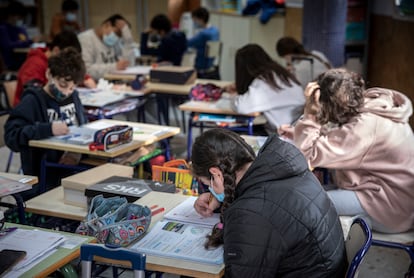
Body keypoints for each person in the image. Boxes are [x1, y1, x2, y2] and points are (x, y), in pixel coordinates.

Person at [191, 128, 346, 277]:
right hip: (324, 268)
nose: (210, 189)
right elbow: (273, 209)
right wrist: (220, 202)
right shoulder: (279, 170)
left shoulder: (250, 213)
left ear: (216, 174)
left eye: (208, 184)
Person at [278, 68, 414, 233]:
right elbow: (348, 139)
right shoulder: (372, 105)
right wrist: (297, 134)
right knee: (301, 195)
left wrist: (310, 112)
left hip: (388, 208)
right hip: (390, 197)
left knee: (298, 203)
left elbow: (308, 155)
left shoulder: (366, 125)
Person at [4, 47, 87, 189]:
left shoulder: (73, 97)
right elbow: (11, 136)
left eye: (72, 88)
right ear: (49, 74)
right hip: (45, 176)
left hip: (74, 167)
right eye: (63, 85)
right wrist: (47, 129)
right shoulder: (32, 101)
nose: (66, 92)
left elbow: (83, 128)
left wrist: (75, 154)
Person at [227, 44, 304, 133]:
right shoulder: (278, 74)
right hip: (292, 129)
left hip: (283, 135)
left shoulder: (264, 81)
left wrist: (232, 96)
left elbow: (241, 107)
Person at [14, 30, 95, 107]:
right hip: (34, 112)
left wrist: (84, 78)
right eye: (68, 57)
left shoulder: (59, 64)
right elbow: (33, 97)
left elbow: (68, 74)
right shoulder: (33, 65)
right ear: (56, 50)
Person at [78, 14, 132, 80]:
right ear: (107, 24)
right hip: (94, 85)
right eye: (117, 33)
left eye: (120, 36)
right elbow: (86, 70)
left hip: (112, 83)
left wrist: (128, 41)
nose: (116, 38)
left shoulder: (115, 43)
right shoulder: (85, 39)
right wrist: (114, 67)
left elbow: (128, 64)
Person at [0, 1, 35, 70]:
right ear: (11, 15)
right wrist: (29, 41)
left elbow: (25, 40)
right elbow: (8, 46)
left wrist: (28, 41)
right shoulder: (3, 28)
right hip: (10, 62)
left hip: (22, 59)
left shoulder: (20, 28)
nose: (20, 20)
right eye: (19, 17)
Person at [187, 7, 220, 79]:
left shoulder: (203, 34)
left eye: (194, 20)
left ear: (200, 19)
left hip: (202, 71)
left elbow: (188, 43)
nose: (194, 22)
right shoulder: (215, 31)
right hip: (213, 70)